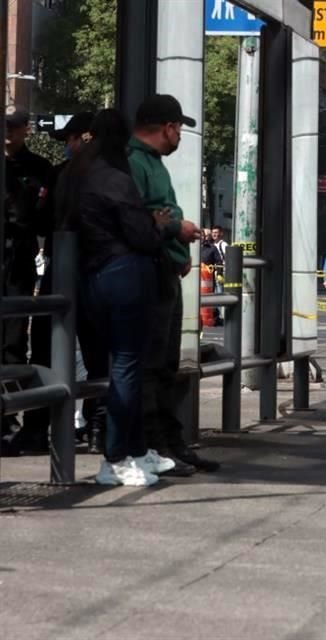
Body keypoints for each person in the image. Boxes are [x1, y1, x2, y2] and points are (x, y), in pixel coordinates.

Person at [58, 109, 178, 486]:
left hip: (85, 277)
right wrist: (156, 225)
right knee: (127, 366)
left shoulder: (73, 175)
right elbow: (140, 236)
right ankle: (117, 456)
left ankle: (135, 449)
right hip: (125, 273)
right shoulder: (116, 179)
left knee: (104, 367)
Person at [128, 94, 218, 474]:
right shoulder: (135, 163)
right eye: (178, 128)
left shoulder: (152, 164)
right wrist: (174, 228)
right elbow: (138, 217)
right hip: (148, 272)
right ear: (166, 127)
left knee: (166, 364)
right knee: (151, 364)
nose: (179, 135)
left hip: (165, 268)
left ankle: (171, 441)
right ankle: (154, 444)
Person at [18, 112, 107, 456]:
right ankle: (98, 426)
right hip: (97, 273)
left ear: (82, 138)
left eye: (69, 140)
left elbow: (41, 221)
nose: (67, 147)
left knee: (44, 350)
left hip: (61, 275)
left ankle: (37, 428)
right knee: (99, 353)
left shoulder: (59, 176)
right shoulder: (114, 176)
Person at [1, 107, 53, 454]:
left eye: (14, 126)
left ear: (25, 130)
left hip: (18, 261)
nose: (9, 132)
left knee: (13, 341)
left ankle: (17, 419)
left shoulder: (39, 169)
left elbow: (44, 217)